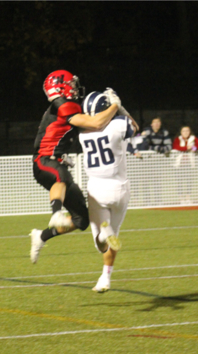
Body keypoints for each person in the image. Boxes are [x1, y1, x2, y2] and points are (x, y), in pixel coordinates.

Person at [29, 70, 120, 264]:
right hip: (44, 160)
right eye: (71, 84)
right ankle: (56, 214)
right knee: (62, 176)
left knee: (81, 220)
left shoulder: (67, 105)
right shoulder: (62, 104)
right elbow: (96, 123)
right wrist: (115, 106)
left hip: (56, 161)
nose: (75, 88)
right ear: (61, 87)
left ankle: (41, 236)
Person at [77, 91, 138, 293]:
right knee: (114, 233)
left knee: (101, 244)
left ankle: (105, 234)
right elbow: (135, 127)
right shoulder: (119, 124)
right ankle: (105, 277)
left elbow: (96, 122)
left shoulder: (82, 130)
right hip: (120, 188)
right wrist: (118, 105)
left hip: (97, 188)